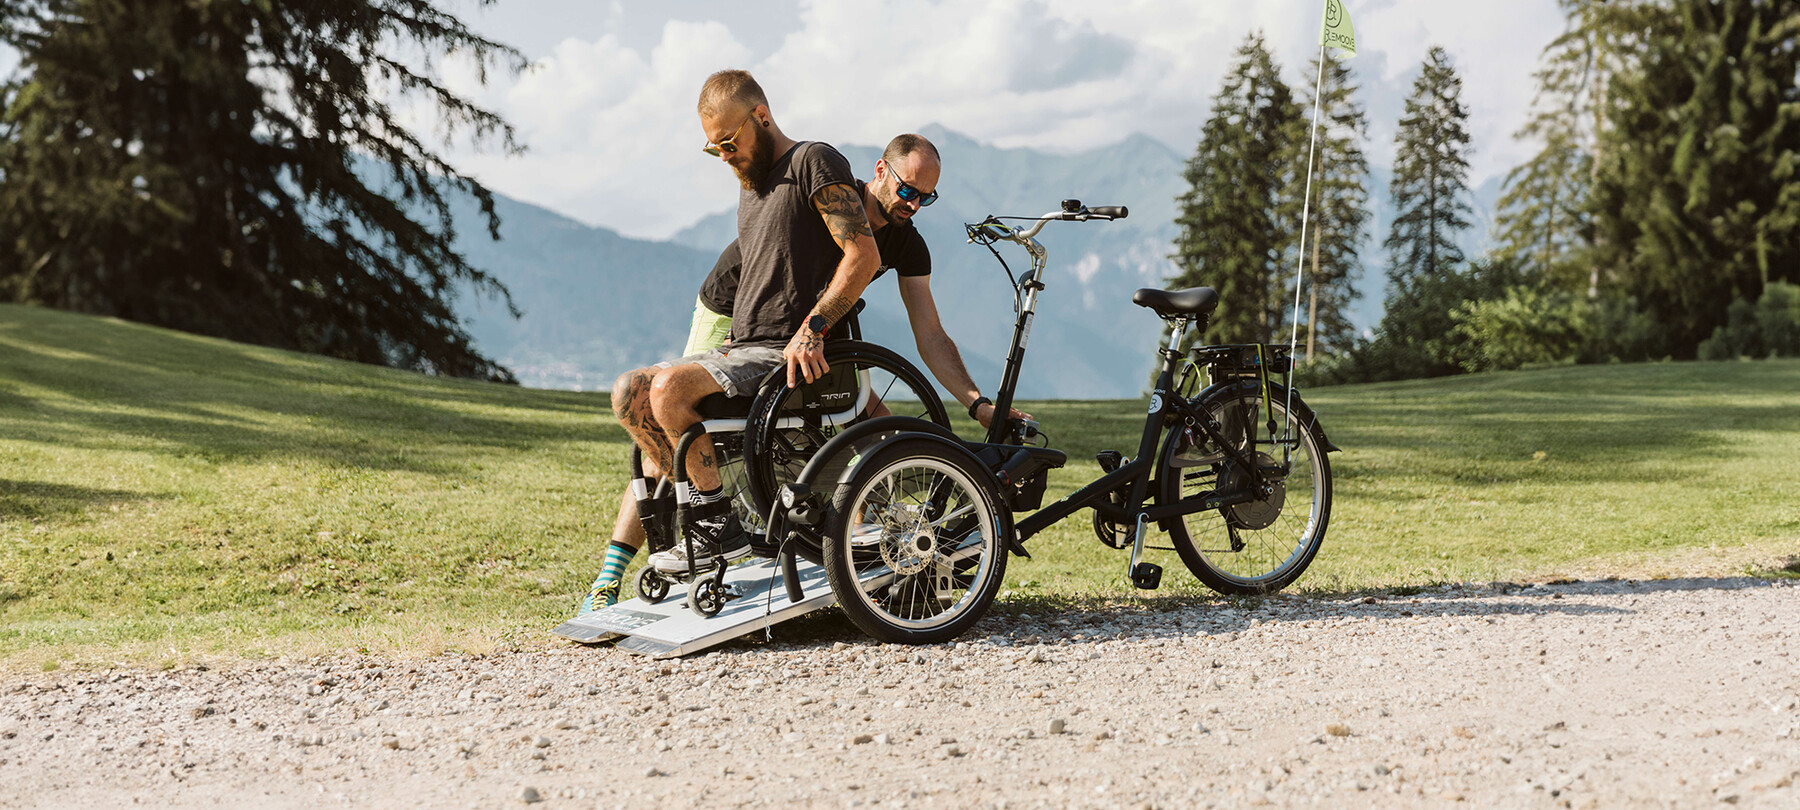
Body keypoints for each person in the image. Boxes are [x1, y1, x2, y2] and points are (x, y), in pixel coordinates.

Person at [579, 69, 880, 612]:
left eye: (728, 142)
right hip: (742, 348)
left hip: (787, 352)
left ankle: (717, 525)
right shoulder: (752, 187)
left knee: (668, 390)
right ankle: (709, 510)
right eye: (712, 147)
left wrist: (813, 329)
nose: (723, 156)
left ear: (761, 117)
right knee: (629, 393)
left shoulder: (814, 161)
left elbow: (863, 256)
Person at [681, 133, 1026, 434]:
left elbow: (931, 334)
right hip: (729, 304)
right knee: (688, 421)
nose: (914, 205)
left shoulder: (908, 244)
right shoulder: (833, 199)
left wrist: (977, 404)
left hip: (804, 322)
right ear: (880, 170)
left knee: (879, 431)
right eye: (907, 190)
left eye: (926, 197)